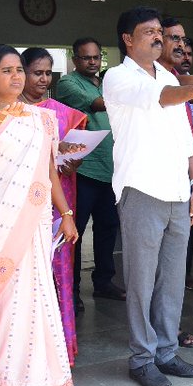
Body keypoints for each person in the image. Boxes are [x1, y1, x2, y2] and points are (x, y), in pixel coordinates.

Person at [103, 7, 193, 386]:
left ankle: (166, 352)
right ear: (128, 39)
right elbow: (165, 97)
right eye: (148, 32)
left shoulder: (167, 75)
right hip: (141, 190)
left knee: (172, 279)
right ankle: (142, 358)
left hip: (177, 192)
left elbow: (185, 137)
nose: (158, 37)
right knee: (141, 282)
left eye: (159, 32)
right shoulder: (118, 76)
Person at [0, 45, 79, 386]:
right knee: (4, 300)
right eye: (7, 70)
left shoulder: (41, 118)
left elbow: (48, 170)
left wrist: (66, 212)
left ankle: (42, 384)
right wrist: (1, 112)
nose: (16, 77)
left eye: (19, 70)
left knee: (36, 295)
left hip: (34, 217)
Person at [20, 46, 86, 364]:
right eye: (37, 73)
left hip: (61, 201)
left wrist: (73, 160)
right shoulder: (8, 112)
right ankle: (28, 351)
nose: (44, 79)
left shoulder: (64, 113)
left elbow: (75, 155)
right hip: (22, 201)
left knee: (59, 268)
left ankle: (61, 349)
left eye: (48, 73)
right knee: (27, 274)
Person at [54, 38, 125, 307]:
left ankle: (103, 282)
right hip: (83, 170)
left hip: (110, 170)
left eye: (96, 57)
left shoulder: (106, 82)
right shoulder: (68, 83)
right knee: (76, 231)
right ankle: (70, 290)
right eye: (86, 57)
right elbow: (97, 104)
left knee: (108, 227)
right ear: (75, 59)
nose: (92, 62)